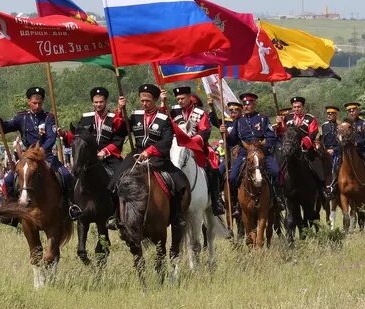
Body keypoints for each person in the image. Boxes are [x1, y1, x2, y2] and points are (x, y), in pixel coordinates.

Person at [109, 83, 190, 228]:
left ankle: (177, 214)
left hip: (157, 157)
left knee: (180, 183)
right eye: (142, 101)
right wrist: (120, 110)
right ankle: (116, 215)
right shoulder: (135, 115)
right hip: (137, 154)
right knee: (115, 181)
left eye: (148, 101)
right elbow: (119, 130)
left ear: (155, 100)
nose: (144, 104)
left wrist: (149, 152)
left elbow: (166, 141)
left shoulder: (164, 118)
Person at [0, 86, 78, 220]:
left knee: (66, 176)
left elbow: (51, 136)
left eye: (39, 103)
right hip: (28, 157)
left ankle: (71, 206)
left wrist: (42, 149)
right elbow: (4, 128)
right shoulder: (21, 117)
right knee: (8, 180)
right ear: (29, 102)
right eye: (34, 103)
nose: (37, 106)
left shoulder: (49, 117)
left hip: (46, 156)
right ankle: (11, 211)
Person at [72, 87, 128, 230]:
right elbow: (78, 136)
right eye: (96, 102)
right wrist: (65, 135)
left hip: (110, 159)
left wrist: (104, 151)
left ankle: (117, 215)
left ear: (106, 102)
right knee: (74, 178)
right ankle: (75, 208)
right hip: (89, 160)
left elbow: (118, 140)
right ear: (92, 102)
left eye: (101, 102)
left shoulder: (113, 118)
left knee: (121, 180)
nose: (98, 105)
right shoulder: (86, 118)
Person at [166, 85, 223, 216]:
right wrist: (163, 102)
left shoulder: (200, 113)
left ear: (189, 97)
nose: (180, 101)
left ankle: (216, 201)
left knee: (213, 169)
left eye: (182, 98)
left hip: (197, 147)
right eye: (178, 99)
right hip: (177, 147)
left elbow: (205, 131)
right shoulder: (173, 111)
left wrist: (191, 142)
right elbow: (164, 118)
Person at [224, 93, 279, 206]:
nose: (246, 107)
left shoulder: (263, 119)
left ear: (254, 104)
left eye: (249, 104)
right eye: (244, 104)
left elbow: (271, 137)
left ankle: (276, 198)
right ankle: (235, 203)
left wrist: (262, 144)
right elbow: (232, 141)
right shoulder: (239, 121)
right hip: (244, 153)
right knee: (233, 177)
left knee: (275, 171)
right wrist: (225, 134)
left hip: (261, 151)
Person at [320, 105, 341, 196]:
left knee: (336, 167)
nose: (329, 115)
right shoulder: (324, 126)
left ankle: (334, 185)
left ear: (336, 115)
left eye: (331, 114)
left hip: (337, 151)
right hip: (326, 151)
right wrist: (324, 150)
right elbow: (322, 140)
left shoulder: (340, 126)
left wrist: (334, 150)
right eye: (328, 114)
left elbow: (342, 142)